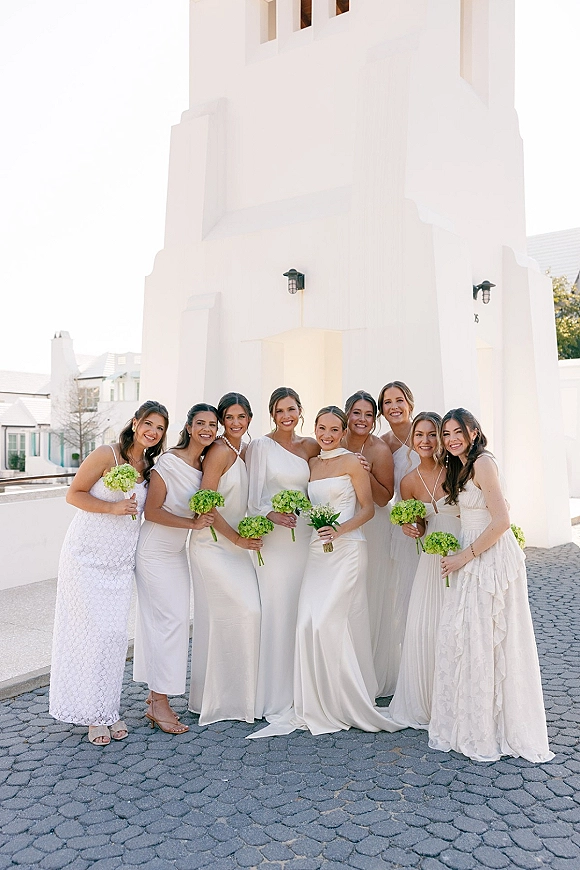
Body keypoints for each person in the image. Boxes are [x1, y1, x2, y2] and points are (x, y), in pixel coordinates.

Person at [249, 407, 399, 738]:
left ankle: (342, 698)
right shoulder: (313, 464)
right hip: (316, 553)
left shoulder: (350, 462)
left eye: (334, 429)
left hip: (347, 549)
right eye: (322, 428)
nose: (327, 435)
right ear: (314, 429)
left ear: (343, 432)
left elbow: (369, 508)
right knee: (306, 622)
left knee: (326, 621)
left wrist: (339, 530)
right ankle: (314, 698)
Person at [429, 408, 553, 763]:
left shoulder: (483, 462)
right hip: (472, 549)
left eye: (457, 432)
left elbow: (501, 521)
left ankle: (496, 727)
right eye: (446, 434)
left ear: (473, 431)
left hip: (489, 556)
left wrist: (461, 558)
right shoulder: (460, 464)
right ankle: (472, 721)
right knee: (468, 636)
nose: (451, 439)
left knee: (489, 635)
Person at [49, 400, 168, 745]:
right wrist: (113, 507)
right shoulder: (107, 454)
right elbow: (74, 494)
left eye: (159, 428)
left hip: (119, 562)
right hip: (85, 555)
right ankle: (95, 717)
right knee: (92, 634)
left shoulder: (149, 465)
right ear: (135, 422)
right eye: (148, 423)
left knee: (114, 637)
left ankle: (108, 708)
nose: (153, 432)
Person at [133, 404, 218, 734]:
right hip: (153, 551)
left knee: (174, 622)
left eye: (212, 424)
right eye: (200, 423)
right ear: (189, 426)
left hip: (175, 553)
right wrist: (192, 524)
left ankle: (156, 694)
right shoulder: (169, 461)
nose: (206, 429)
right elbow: (152, 512)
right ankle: (158, 702)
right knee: (169, 623)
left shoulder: (203, 465)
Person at [245, 387, 319, 719]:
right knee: (277, 607)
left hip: (304, 535)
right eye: (279, 411)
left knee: (301, 607)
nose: (286, 416)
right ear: (272, 415)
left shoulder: (310, 446)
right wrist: (268, 515)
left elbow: (326, 475)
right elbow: (253, 495)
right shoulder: (260, 446)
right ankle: (274, 694)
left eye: (291, 409)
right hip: (274, 537)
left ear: (300, 410)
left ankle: (304, 688)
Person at [188, 393, 262, 725]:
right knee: (243, 610)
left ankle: (243, 696)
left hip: (237, 545)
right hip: (213, 544)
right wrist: (237, 539)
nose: (235, 423)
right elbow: (206, 504)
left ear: (249, 419)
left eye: (241, 417)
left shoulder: (245, 449)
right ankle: (221, 699)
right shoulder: (218, 452)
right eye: (229, 417)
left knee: (248, 613)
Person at [385, 412, 460, 729]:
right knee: (425, 626)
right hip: (430, 560)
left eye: (433, 434)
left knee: (459, 624)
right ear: (412, 441)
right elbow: (416, 522)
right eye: (420, 435)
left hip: (462, 552)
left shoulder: (458, 471)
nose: (426, 441)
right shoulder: (408, 482)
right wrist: (409, 526)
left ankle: (460, 698)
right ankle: (429, 699)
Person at [342, 391, 395, 696]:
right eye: (357, 413)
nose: (362, 420)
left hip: (371, 527)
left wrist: (364, 471)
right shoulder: (332, 437)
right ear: (347, 413)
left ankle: (368, 671)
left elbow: (384, 496)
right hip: (336, 522)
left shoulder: (379, 450)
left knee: (368, 595)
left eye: (368, 415)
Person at [377, 380, 421, 695]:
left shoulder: (426, 432)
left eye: (399, 400)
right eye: (387, 402)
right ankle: (409, 676)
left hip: (434, 521)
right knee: (405, 599)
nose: (394, 406)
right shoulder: (384, 444)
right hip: (403, 528)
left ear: (410, 402)